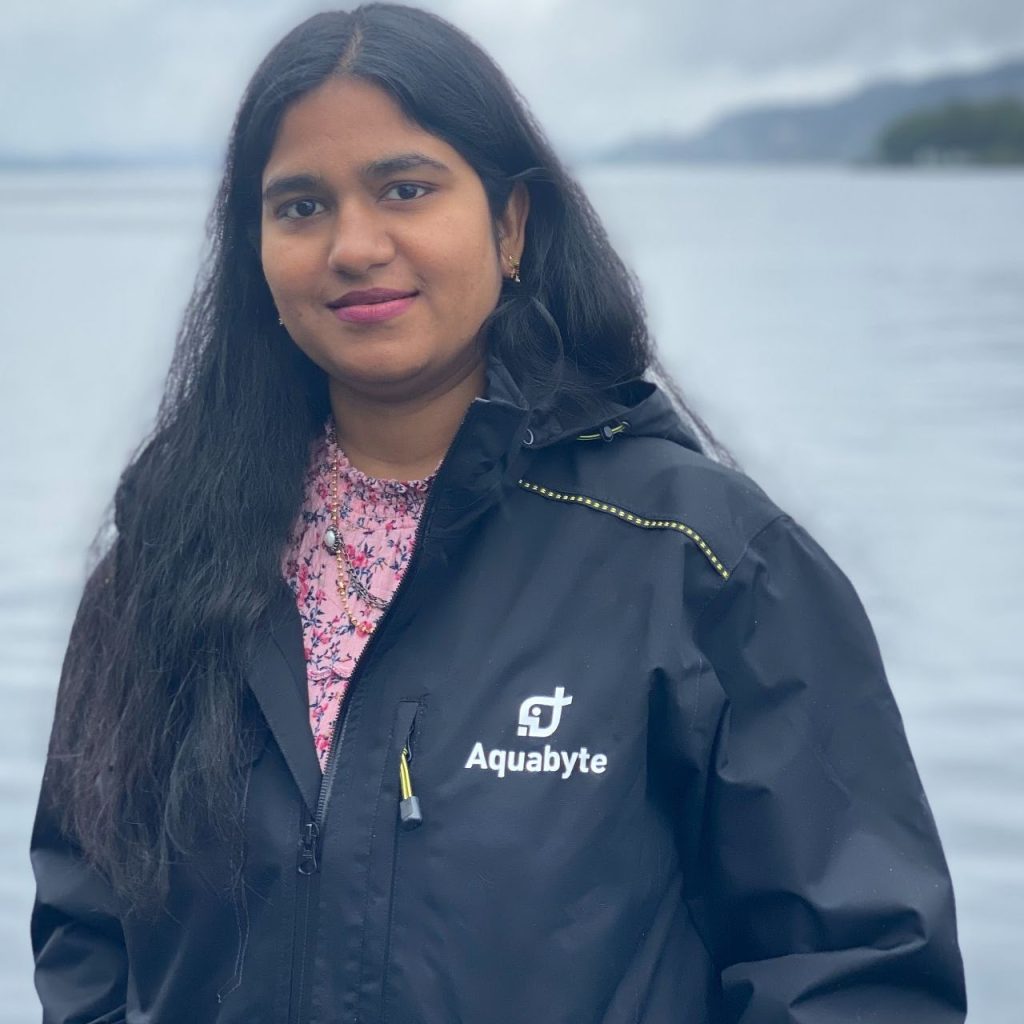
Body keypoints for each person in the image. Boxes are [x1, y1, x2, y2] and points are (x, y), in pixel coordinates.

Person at [29, 4, 967, 1022]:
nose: (354, 245)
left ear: (510, 223)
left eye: (405, 188)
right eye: (300, 205)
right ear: (254, 249)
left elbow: (855, 970)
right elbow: (87, 924)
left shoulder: (699, 559)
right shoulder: (167, 562)